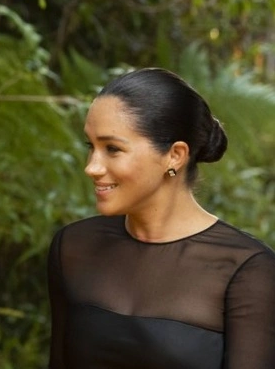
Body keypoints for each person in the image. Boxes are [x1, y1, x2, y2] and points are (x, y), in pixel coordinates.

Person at [48, 68, 275, 368]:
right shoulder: (74, 247)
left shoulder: (247, 270)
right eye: (91, 146)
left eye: (112, 149)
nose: (92, 167)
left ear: (175, 155)